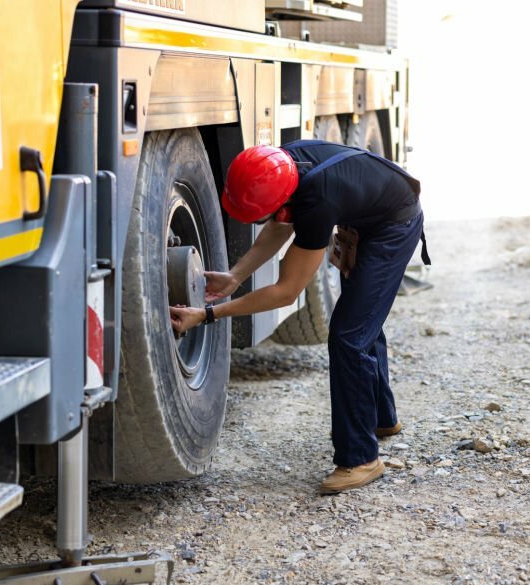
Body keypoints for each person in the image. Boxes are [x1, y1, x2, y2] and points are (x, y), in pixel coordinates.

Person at [169, 140, 428, 494]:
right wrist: (236, 276)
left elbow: (286, 291)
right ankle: (382, 419)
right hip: (369, 213)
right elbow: (281, 222)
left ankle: (361, 458)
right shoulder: (281, 165)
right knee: (363, 317)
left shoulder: (318, 201)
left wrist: (209, 314)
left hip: (394, 225)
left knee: (348, 337)